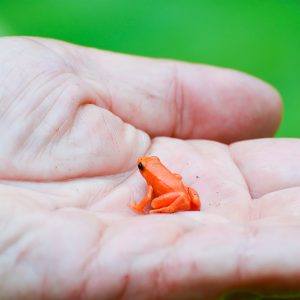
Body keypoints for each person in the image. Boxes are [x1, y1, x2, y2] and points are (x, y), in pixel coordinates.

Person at [0, 36, 298, 299]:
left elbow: (150, 196)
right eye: (144, 166)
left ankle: (166, 210)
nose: (142, 167)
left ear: (146, 168)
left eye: (143, 166)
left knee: (166, 200)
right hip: (184, 193)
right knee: (185, 195)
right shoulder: (156, 173)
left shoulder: (150, 178)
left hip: (176, 195)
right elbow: (178, 182)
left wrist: (147, 207)